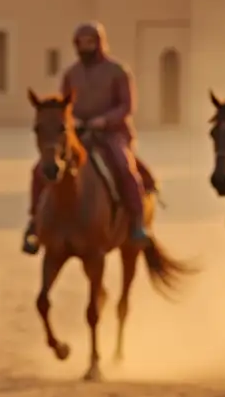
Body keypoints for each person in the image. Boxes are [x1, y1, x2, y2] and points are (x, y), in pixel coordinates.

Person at [21, 22, 157, 254]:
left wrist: (103, 121)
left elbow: (127, 106)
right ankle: (35, 223)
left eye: (90, 42)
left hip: (112, 133)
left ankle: (136, 224)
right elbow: (63, 108)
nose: (85, 47)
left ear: (99, 43)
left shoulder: (118, 71)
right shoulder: (71, 74)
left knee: (124, 167)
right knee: (39, 169)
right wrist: (74, 123)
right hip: (79, 134)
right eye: (81, 43)